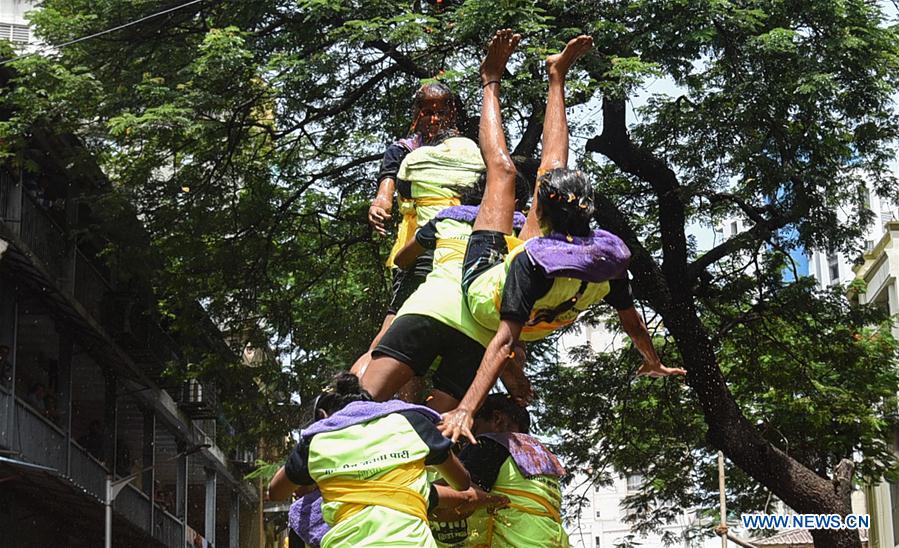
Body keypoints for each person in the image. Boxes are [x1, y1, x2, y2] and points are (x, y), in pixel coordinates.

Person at [439, 31, 686, 443]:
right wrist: (652, 359)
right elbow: (631, 320)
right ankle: (555, 75)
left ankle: (490, 79)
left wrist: (465, 409)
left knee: (500, 173)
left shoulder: (553, 262)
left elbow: (502, 343)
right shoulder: (604, 255)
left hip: (484, 289)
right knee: (548, 167)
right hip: (535, 302)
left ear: (542, 213)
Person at [358, 168, 534, 412]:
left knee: (362, 405)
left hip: (427, 310)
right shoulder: (521, 237)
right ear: (516, 203)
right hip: (477, 336)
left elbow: (402, 259)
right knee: (435, 429)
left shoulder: (448, 218)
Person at [353, 82, 486, 379]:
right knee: (393, 331)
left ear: (452, 112)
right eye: (428, 111)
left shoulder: (465, 150)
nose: (434, 119)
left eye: (441, 111)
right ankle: (352, 394)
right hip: (419, 249)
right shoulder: (404, 150)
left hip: (460, 251)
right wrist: (380, 203)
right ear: (417, 113)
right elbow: (385, 189)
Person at [268, 373, 472, 547]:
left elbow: (276, 492)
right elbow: (462, 483)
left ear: (323, 416)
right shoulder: (412, 422)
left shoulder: (315, 441)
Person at [448, 394, 568, 547]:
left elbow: (463, 494)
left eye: (475, 427)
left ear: (498, 419)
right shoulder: (542, 454)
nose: (467, 438)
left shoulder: (488, 444)